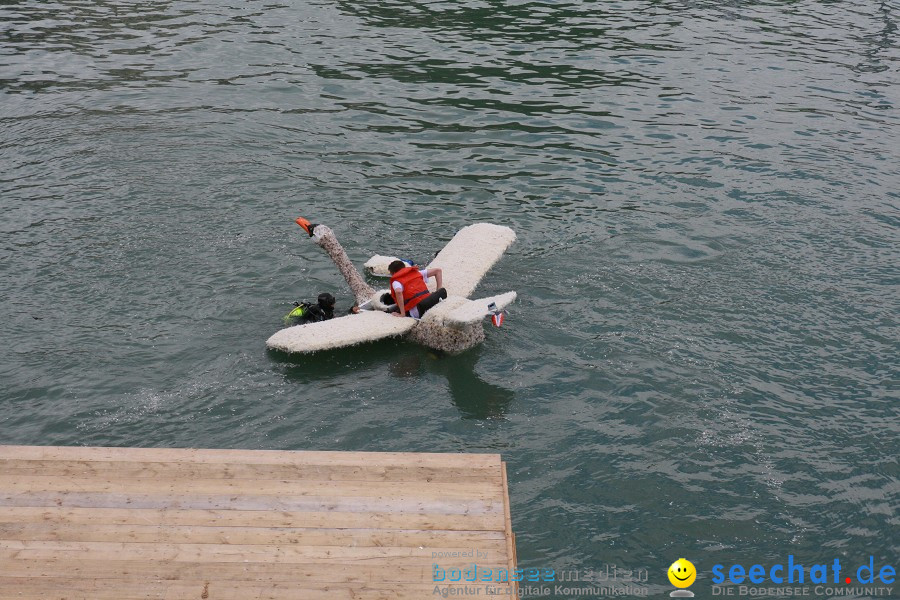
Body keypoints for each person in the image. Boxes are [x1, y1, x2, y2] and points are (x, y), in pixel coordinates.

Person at [285, 292, 358, 325]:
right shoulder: (319, 314)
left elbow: (339, 313)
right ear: (326, 304)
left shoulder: (328, 309)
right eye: (331, 301)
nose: (334, 303)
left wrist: (351, 310)